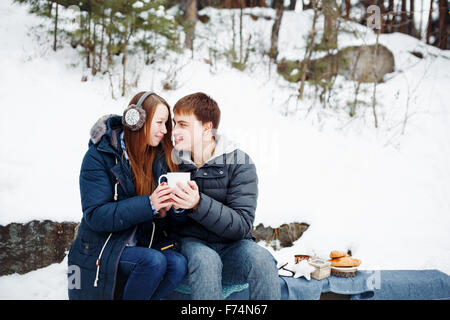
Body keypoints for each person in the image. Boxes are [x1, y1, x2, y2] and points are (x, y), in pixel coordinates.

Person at [68, 91, 188, 300]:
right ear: (136, 121)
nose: (165, 130)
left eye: (166, 123)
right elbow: (95, 214)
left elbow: (164, 222)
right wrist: (149, 205)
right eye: (160, 122)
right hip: (103, 244)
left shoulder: (158, 156)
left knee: (177, 264)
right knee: (153, 261)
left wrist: (173, 208)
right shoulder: (99, 156)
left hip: (141, 242)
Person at [168, 92, 281, 300]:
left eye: (183, 124)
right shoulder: (172, 162)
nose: (174, 131)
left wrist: (198, 203)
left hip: (233, 248)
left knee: (263, 260)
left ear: (206, 127)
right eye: (174, 123)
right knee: (206, 260)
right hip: (192, 246)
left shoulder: (239, 162)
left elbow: (242, 225)